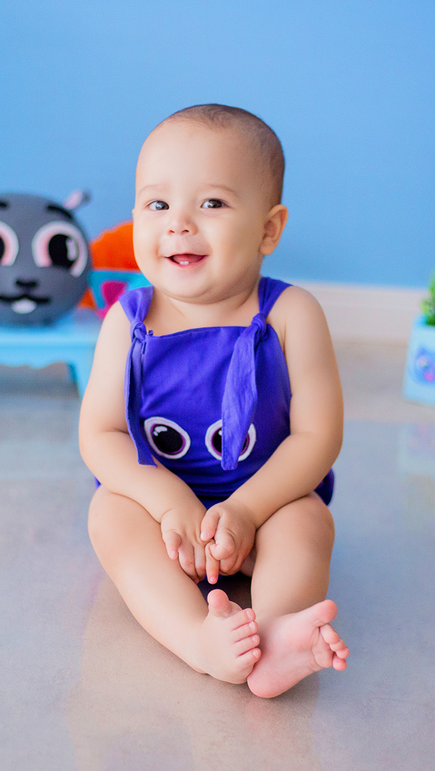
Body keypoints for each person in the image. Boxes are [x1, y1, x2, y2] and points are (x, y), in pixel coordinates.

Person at [78, 104, 348, 698]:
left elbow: (318, 437)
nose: (178, 224)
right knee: (108, 516)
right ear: (135, 220)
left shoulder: (290, 315)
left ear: (269, 230)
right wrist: (167, 498)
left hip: (264, 499)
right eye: (157, 204)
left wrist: (250, 510)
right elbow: (100, 436)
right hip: (162, 514)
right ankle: (195, 638)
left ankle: (276, 640)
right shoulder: (127, 323)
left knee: (308, 522)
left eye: (212, 204)